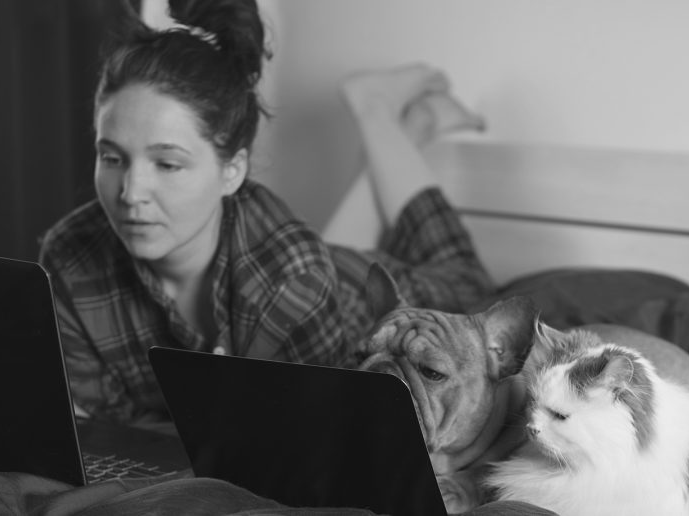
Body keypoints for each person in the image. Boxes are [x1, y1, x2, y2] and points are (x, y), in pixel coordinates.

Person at [38, 0, 494, 426]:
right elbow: (101, 430)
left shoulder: (293, 276)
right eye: (112, 158)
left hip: (346, 283)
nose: (130, 192)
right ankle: (414, 130)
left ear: (233, 170)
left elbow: (297, 435)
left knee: (472, 283)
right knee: (318, 256)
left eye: (167, 164)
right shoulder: (69, 256)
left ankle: (377, 111)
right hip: (308, 262)